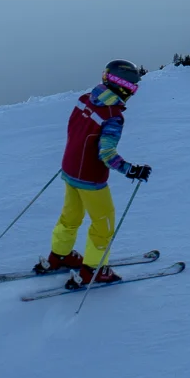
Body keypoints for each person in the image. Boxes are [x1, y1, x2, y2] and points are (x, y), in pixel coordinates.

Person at [39, 60, 152, 288]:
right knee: (103, 225)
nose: (133, 91)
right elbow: (107, 154)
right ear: (123, 87)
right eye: (133, 87)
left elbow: (74, 130)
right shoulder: (112, 115)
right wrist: (131, 170)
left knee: (70, 217)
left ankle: (58, 257)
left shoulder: (85, 100)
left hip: (69, 170)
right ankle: (93, 270)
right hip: (90, 179)